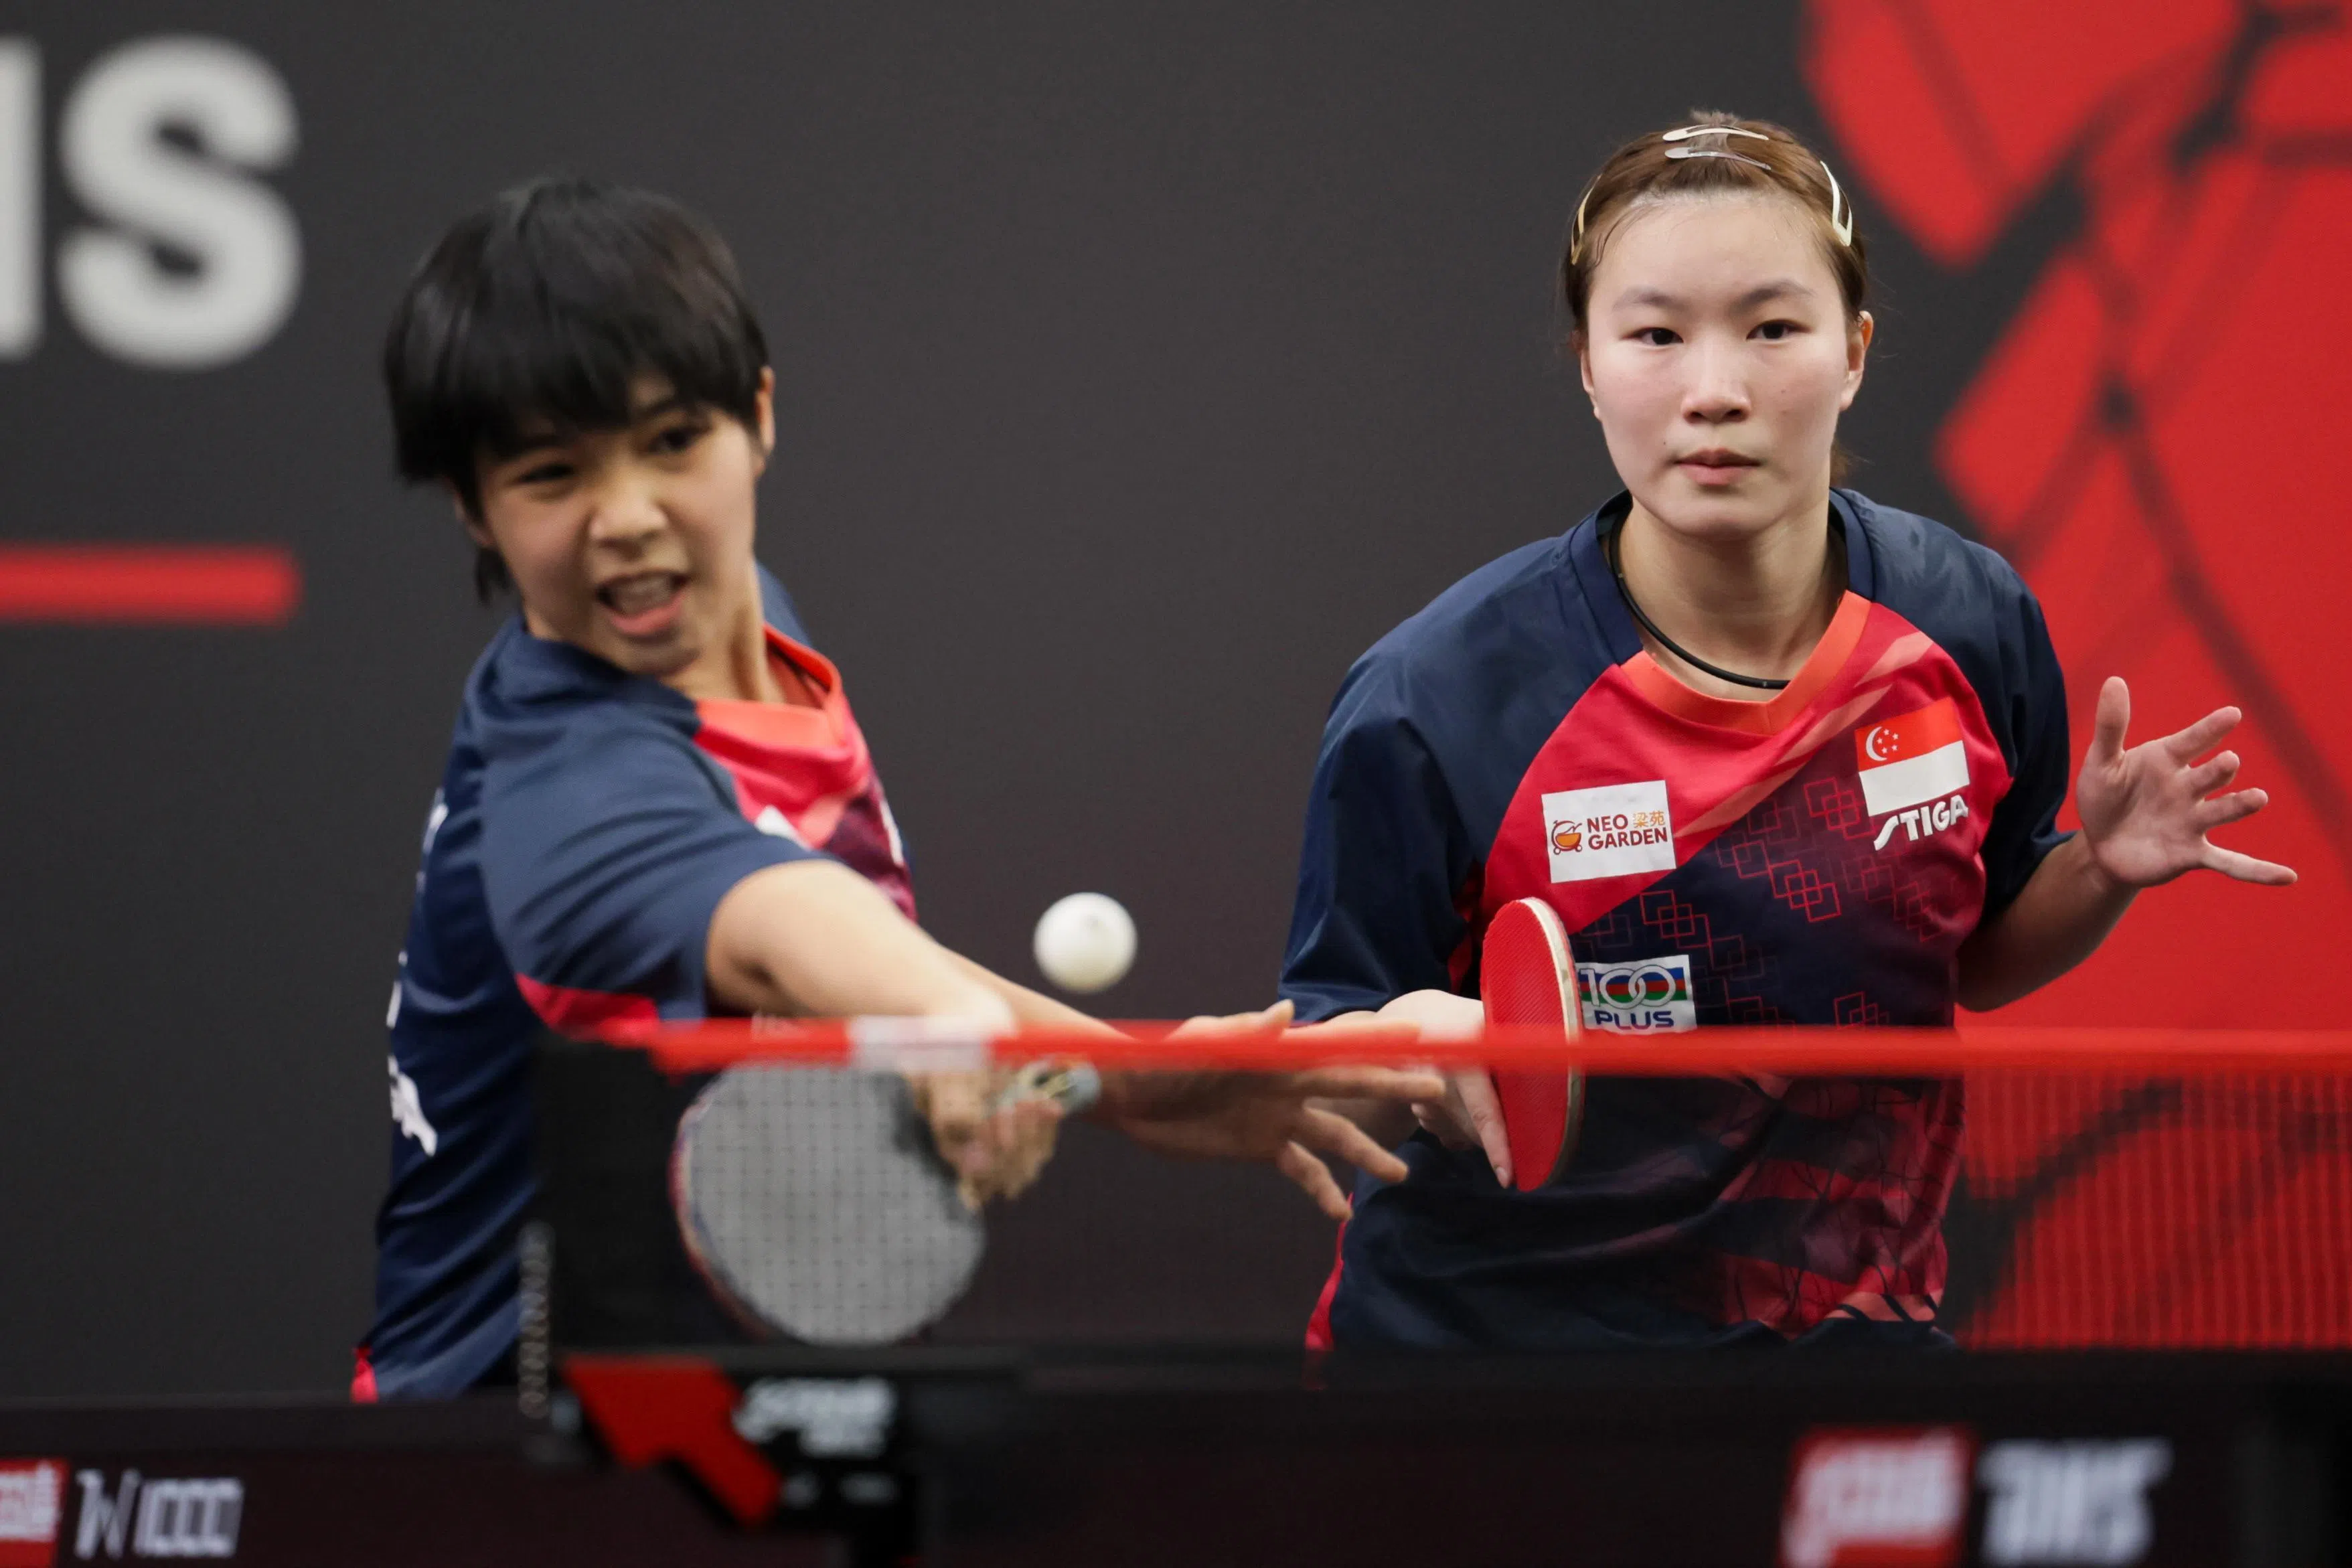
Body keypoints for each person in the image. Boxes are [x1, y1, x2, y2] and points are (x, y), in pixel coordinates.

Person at [361, 177, 1439, 1399]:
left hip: (726, 1394)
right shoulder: (569, 800)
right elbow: (786, 932)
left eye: (673, 443)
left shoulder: (741, 617)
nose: (631, 518)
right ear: (472, 507)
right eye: (553, 475)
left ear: (757, 416)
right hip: (508, 1454)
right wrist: (959, 1042)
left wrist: (1137, 1079)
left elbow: (852, 939)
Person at [1279, 112, 2295, 1352]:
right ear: (1590, 364)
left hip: (1851, 1340)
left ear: (1855, 350)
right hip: (1497, 1363)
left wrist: (2098, 868)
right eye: (1655, 335)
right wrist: (1406, 1041)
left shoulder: (1966, 622)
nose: (1716, 391)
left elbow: (1962, 957)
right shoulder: (1435, 698)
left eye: (1773, 328)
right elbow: (1322, 1039)